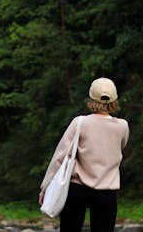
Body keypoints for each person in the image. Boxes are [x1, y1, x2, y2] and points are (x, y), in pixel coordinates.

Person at [39, 77, 130, 232]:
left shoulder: (80, 122)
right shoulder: (123, 126)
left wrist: (45, 187)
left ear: (91, 98)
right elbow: (121, 147)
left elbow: (60, 157)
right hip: (106, 193)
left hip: (77, 190)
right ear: (114, 99)